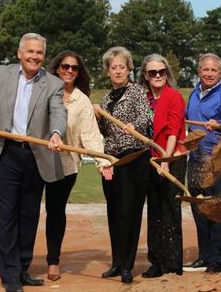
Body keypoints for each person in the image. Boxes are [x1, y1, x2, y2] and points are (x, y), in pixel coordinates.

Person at [0, 33, 66, 292]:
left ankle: (22, 268)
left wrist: (56, 133)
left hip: (35, 155)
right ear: (19, 53)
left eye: (39, 53)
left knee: (28, 215)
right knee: (5, 216)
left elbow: (58, 111)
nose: (35, 57)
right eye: (30, 52)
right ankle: (9, 274)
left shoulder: (53, 84)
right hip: (3, 152)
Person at [45, 51, 114, 282]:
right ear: (56, 68)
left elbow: (91, 135)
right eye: (65, 66)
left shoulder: (81, 100)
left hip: (65, 165)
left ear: (79, 72)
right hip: (36, 161)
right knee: (26, 211)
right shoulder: (43, 91)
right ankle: (20, 261)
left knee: (55, 211)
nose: (69, 70)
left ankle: (53, 260)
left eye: (74, 68)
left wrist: (102, 161)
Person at [97, 46, 151, 284]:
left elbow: (147, 116)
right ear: (108, 72)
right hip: (112, 160)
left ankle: (128, 265)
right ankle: (117, 262)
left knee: (130, 211)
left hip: (134, 157)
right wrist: (98, 120)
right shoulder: (105, 99)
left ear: (129, 69)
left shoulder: (138, 92)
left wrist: (134, 125)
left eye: (121, 67)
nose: (117, 71)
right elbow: (102, 133)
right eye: (113, 67)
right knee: (114, 211)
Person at [184, 53, 221, 274]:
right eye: (205, 70)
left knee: (216, 210)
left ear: (220, 73)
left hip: (218, 162)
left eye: (213, 70)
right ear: (199, 71)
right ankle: (204, 256)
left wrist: (218, 124)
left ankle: (216, 260)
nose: (208, 73)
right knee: (199, 209)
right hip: (196, 160)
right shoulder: (194, 94)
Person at [139, 54, 188, 278]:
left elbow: (172, 131)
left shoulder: (174, 97)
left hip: (171, 158)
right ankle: (156, 261)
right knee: (154, 210)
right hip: (150, 160)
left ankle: (172, 262)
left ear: (167, 73)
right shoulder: (144, 98)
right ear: (145, 76)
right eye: (152, 72)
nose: (157, 76)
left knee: (169, 209)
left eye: (161, 72)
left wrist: (166, 161)